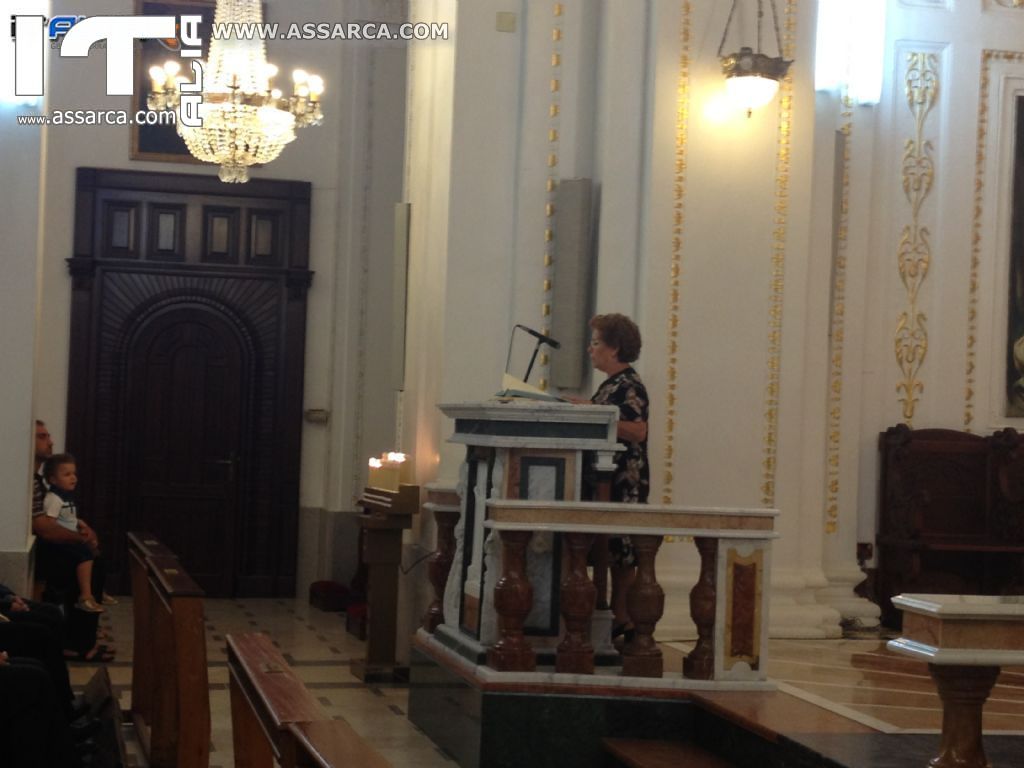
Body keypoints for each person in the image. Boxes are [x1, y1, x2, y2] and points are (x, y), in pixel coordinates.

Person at [581, 313, 650, 639]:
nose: (590, 349)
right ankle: (616, 618)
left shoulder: (629, 384)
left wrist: (590, 413)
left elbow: (637, 430)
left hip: (623, 479)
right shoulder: (611, 384)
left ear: (614, 348)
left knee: (622, 550)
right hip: (605, 476)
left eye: (595, 343)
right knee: (610, 549)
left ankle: (624, 619)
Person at [42, 454, 107, 613]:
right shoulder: (54, 499)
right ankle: (85, 596)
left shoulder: (65, 496)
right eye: (67, 474)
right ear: (53, 480)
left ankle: (97, 592)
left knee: (95, 553)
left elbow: (67, 517)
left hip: (70, 538)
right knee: (85, 554)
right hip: (59, 543)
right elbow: (50, 523)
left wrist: (80, 523)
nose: (73, 478)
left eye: (74, 473)